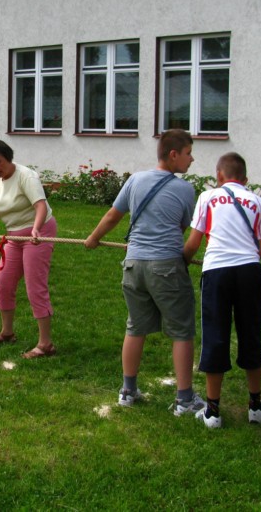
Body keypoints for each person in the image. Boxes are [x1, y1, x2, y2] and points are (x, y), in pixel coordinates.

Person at [85, 129, 205, 414]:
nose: (192, 159)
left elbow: (113, 216)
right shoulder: (185, 190)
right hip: (167, 267)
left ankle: (128, 390)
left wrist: (93, 238)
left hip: (133, 265)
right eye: (188, 153)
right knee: (181, 331)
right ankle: (185, 399)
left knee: (135, 327)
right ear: (173, 154)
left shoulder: (135, 180)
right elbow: (182, 227)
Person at [183, 152, 261, 429]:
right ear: (245, 180)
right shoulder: (258, 201)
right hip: (250, 272)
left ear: (219, 176)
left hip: (217, 272)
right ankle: (255, 406)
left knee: (215, 335)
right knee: (251, 334)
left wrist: (182, 261)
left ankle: (212, 412)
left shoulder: (207, 197)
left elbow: (194, 241)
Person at [0, 139, 58, 359]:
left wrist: (36, 229)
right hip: (13, 236)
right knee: (3, 283)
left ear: (8, 158)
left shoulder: (26, 176)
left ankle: (45, 344)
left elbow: (40, 205)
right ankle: (7, 332)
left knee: (35, 286)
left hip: (38, 232)